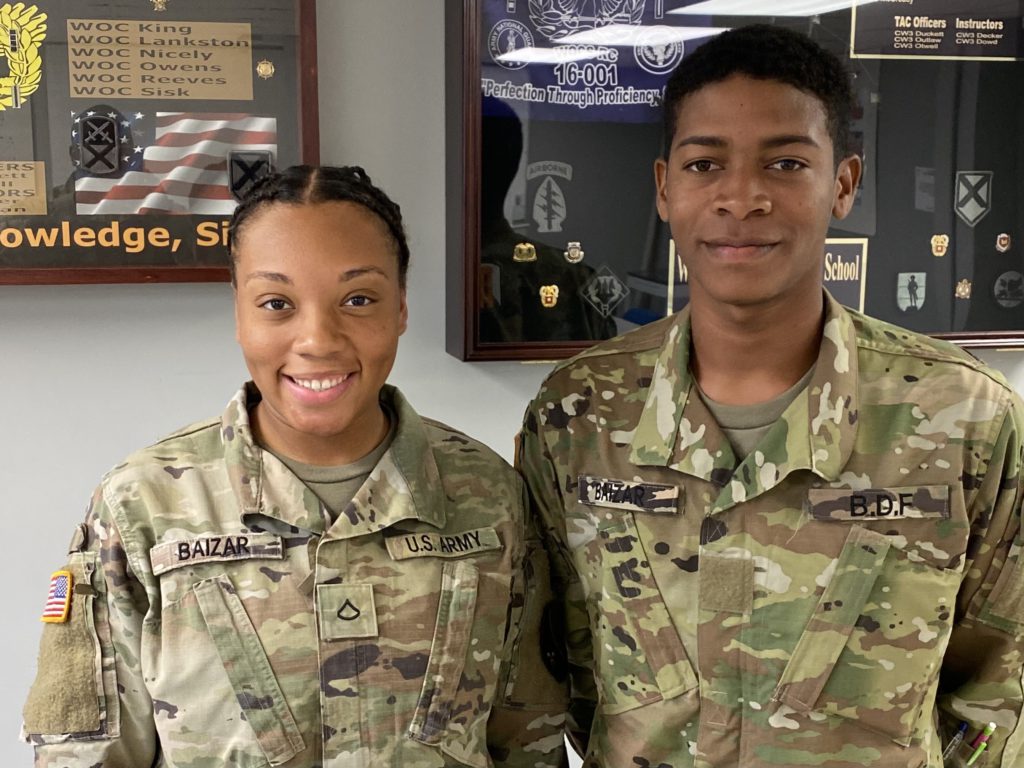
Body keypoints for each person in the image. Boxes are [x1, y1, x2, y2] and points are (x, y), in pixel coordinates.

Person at [518, 24, 1024, 767]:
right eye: (704, 163)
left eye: (786, 162)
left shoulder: (965, 415)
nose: (742, 197)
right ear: (665, 187)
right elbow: (546, 671)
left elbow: (998, 685)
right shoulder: (579, 412)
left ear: (843, 184)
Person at [22, 165, 567, 767]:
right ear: (240, 314)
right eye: (277, 303)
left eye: (358, 299)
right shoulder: (141, 507)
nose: (318, 339)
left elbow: (528, 740)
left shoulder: (488, 495)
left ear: (402, 308)